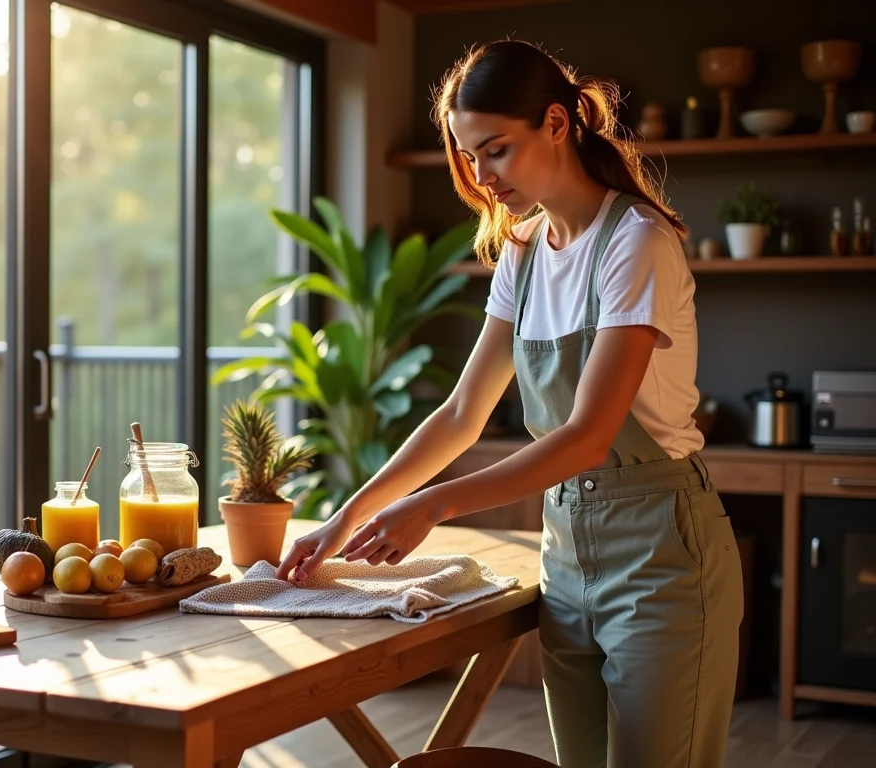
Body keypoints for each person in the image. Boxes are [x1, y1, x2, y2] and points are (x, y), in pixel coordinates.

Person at [274, 39, 742, 768]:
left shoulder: (636, 244)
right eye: (469, 157)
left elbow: (589, 436)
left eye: (495, 150)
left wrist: (433, 506)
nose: (483, 178)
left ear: (557, 124)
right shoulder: (521, 255)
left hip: (661, 554)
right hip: (566, 554)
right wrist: (345, 519)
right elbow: (463, 413)